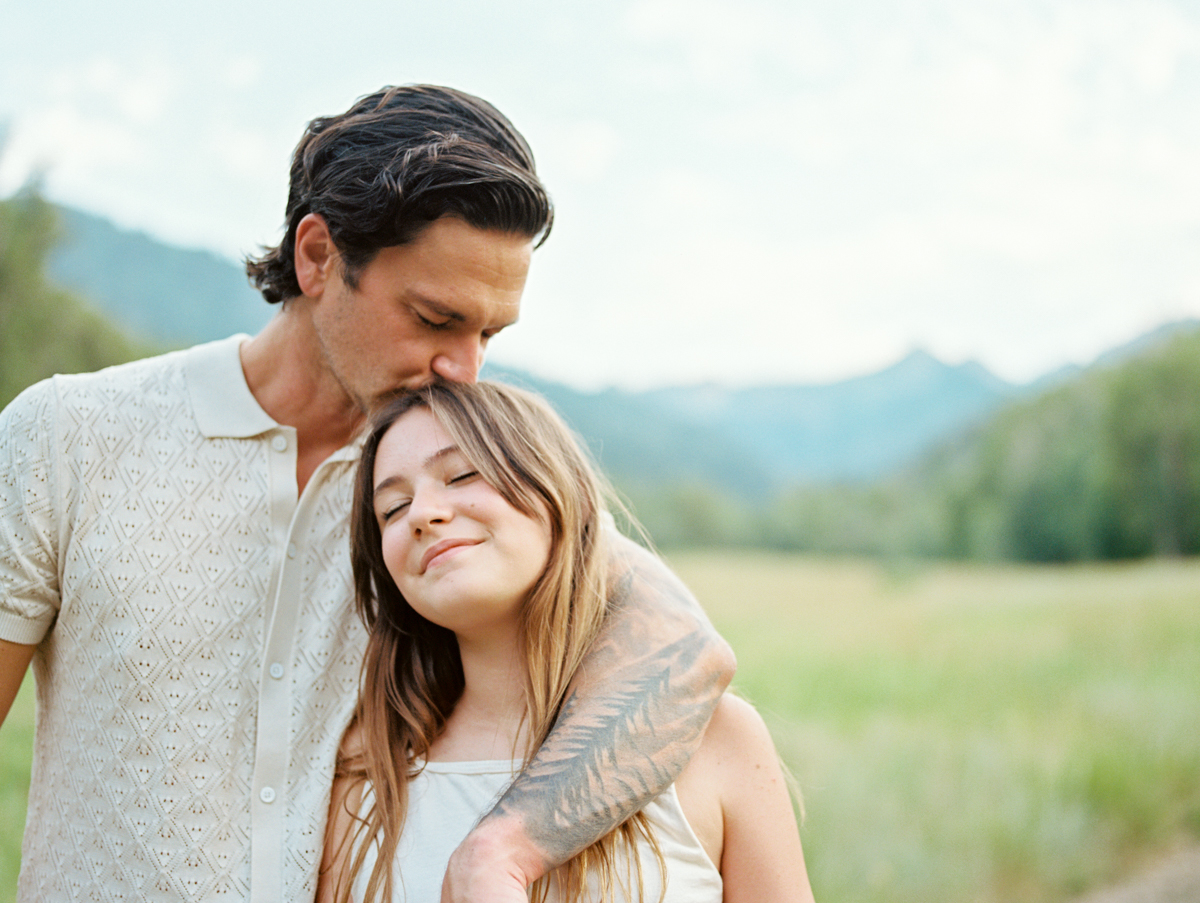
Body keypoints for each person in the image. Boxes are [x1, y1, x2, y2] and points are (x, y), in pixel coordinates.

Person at [0, 84, 734, 902]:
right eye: (434, 317)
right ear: (316, 257)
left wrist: (502, 850)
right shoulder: (66, 436)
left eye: (488, 334)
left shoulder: (455, 496)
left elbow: (685, 651)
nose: (465, 369)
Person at [318, 381, 814, 903]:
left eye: (462, 474)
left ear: (555, 490)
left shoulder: (715, 738)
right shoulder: (368, 768)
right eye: (393, 509)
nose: (423, 514)